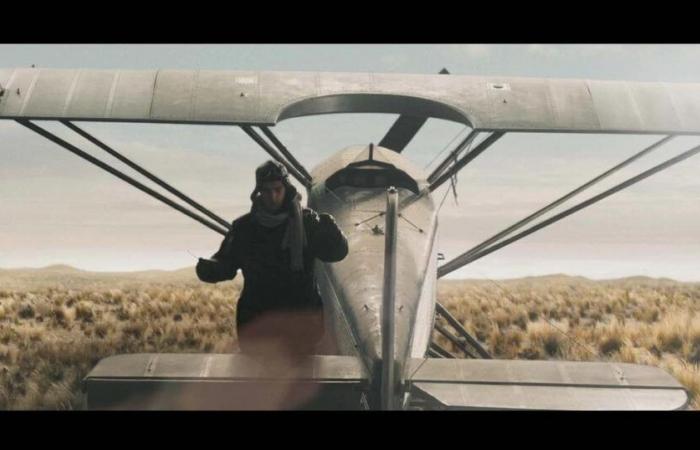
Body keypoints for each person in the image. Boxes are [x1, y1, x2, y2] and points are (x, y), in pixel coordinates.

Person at [196, 160, 348, 355]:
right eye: (266, 191)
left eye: (277, 189)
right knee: (259, 383)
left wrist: (330, 229)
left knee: (300, 382)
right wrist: (210, 269)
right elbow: (227, 263)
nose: (272, 196)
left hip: (300, 326)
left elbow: (335, 253)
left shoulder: (308, 223)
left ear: (286, 189)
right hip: (259, 325)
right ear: (258, 192)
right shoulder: (244, 228)